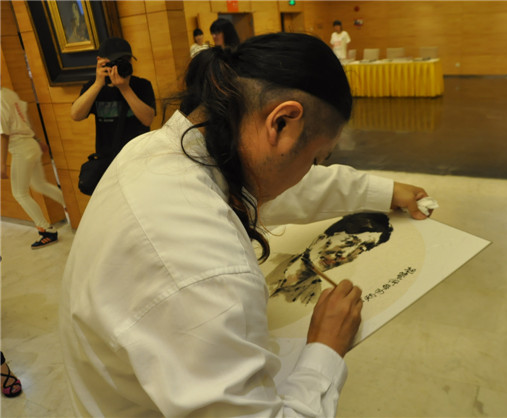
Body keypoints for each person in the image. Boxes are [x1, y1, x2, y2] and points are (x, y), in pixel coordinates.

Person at [59, 32, 432, 416]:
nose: (310, 171)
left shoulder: (156, 149)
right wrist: (325, 351)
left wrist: (383, 191)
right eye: (316, 159)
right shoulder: (207, 268)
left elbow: (274, 184)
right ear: (282, 122)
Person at [70, 37, 155, 194]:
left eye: (126, 60)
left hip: (139, 158)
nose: (121, 65)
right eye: (115, 61)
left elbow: (147, 119)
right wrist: (98, 84)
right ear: (100, 62)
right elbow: (76, 114)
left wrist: (125, 89)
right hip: (108, 163)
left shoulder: (141, 85)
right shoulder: (94, 87)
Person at [270, 212, 393, 304]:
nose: (346, 254)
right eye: (350, 242)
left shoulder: (313, 298)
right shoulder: (267, 260)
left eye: (361, 249)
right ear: (321, 239)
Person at [1, 87, 66, 249]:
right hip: (30, 144)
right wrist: (37, 139)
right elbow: (25, 118)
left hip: (21, 149)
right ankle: (71, 206)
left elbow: (3, 134)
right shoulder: (8, 93)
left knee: (19, 193)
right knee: (40, 184)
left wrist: (1, 164)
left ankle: (46, 230)